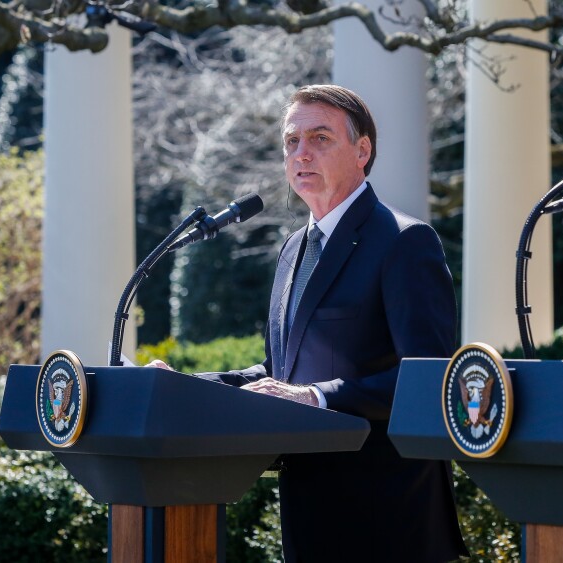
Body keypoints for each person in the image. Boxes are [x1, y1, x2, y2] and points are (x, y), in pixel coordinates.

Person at [152, 84, 467, 562]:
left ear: (363, 151)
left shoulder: (404, 242)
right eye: (291, 141)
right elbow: (276, 372)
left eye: (320, 138)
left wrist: (316, 396)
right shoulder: (293, 250)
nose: (301, 153)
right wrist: (189, 386)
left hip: (391, 520)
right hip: (308, 513)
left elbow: (430, 377)